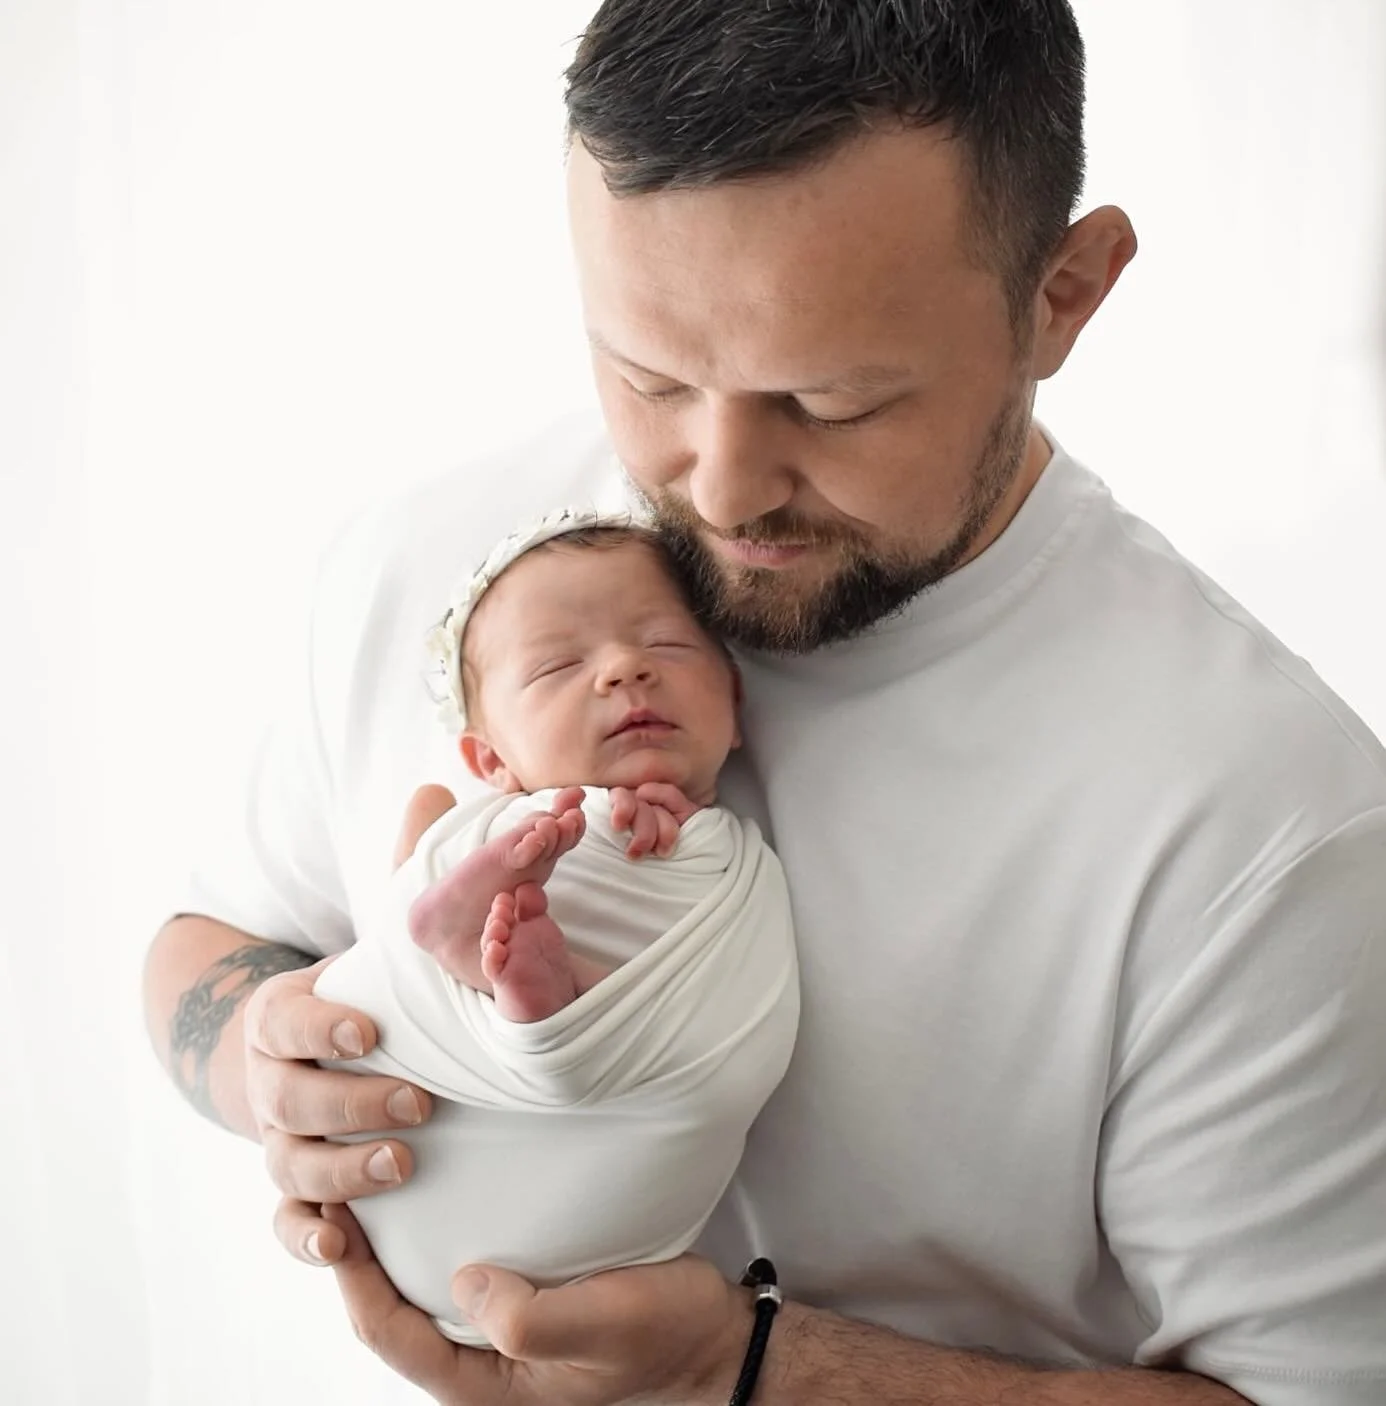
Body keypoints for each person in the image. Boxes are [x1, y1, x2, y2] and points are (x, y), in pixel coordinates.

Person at [141, 2, 1386, 1403]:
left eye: (832, 402)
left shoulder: (1264, 829)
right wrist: (265, 1061)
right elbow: (213, 938)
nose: (720, 488)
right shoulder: (440, 565)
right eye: (648, 374)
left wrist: (750, 1374)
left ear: (1064, 294)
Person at [310, 509, 797, 1346]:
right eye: (560, 666)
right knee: (556, 834)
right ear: (490, 761)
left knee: (690, 874)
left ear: (735, 704)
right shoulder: (537, 817)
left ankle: (537, 994)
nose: (625, 671)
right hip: (437, 1158)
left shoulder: (718, 853)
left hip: (511, 1244)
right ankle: (534, 997)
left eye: (670, 647)